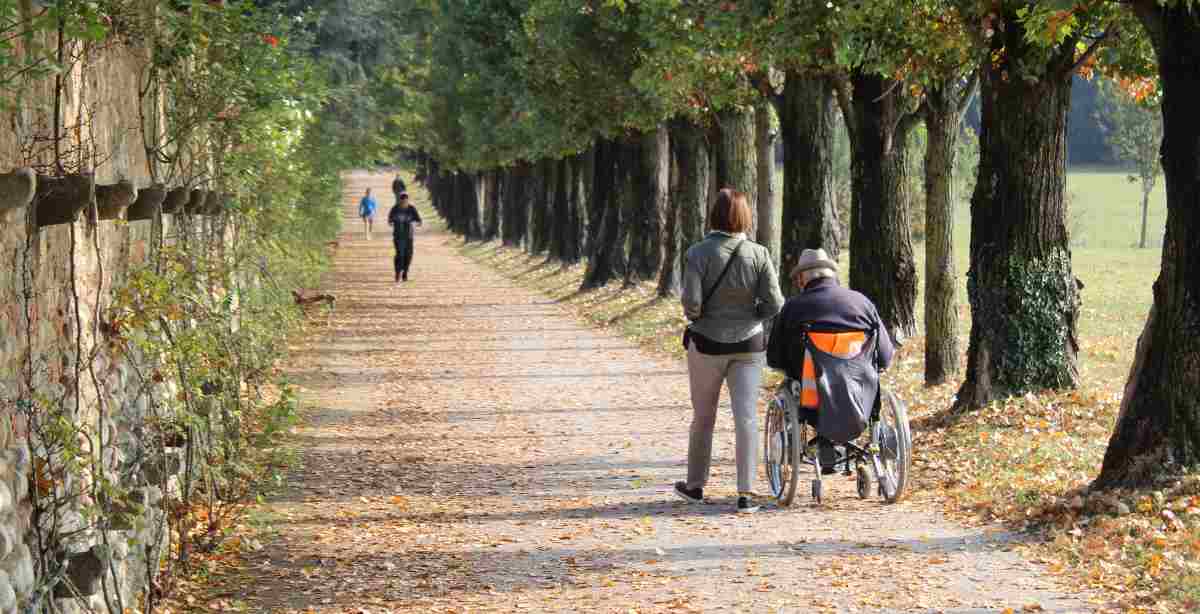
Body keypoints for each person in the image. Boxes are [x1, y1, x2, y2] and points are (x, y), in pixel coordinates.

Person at [674, 188, 785, 514]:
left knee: (703, 417)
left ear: (714, 215)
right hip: (749, 345)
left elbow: (691, 304)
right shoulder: (759, 253)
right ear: (744, 217)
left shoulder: (697, 253)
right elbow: (775, 302)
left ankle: (695, 486)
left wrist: (701, 316)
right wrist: (752, 316)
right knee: (746, 418)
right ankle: (745, 494)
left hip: (707, 345)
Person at [766, 248, 896, 472]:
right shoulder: (862, 303)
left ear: (801, 278)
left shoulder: (793, 308)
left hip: (812, 396)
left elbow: (775, 358)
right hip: (861, 393)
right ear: (832, 275)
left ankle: (823, 443)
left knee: (799, 383)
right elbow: (884, 356)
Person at [387, 192, 422, 283]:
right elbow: (390, 219)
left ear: (408, 200)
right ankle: (398, 272)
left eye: (406, 200)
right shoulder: (395, 209)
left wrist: (415, 223)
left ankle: (405, 272)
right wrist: (391, 222)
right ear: (400, 201)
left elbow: (419, 220)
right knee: (400, 255)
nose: (404, 203)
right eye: (402, 201)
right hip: (398, 236)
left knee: (408, 256)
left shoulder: (411, 209)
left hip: (409, 237)